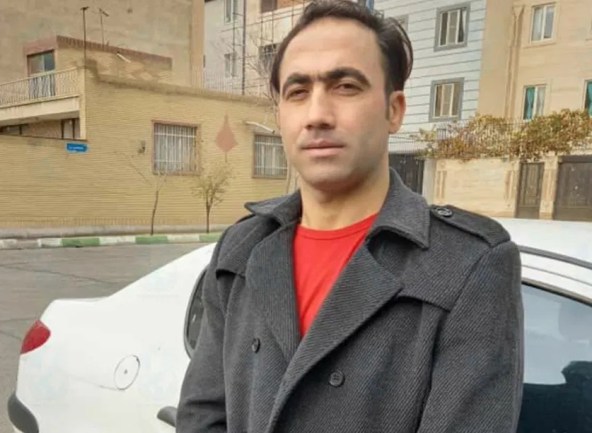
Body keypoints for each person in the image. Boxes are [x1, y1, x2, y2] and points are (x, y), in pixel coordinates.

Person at [177, 1, 524, 432]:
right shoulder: (241, 250)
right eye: (297, 92)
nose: (317, 115)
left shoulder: (467, 264)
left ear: (394, 109)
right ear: (280, 113)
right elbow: (203, 415)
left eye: (345, 86)